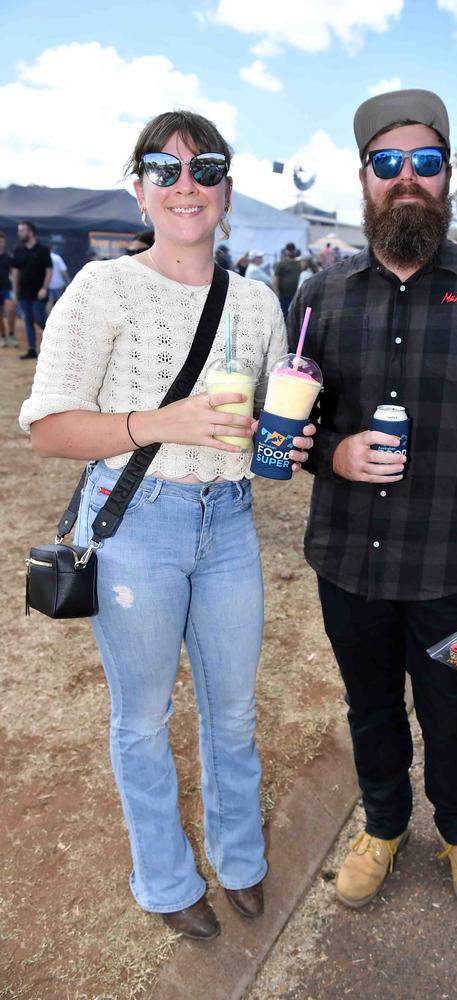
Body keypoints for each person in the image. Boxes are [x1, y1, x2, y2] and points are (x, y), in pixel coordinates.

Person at [19, 109, 314, 941]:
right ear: (139, 187)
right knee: (142, 719)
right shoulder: (102, 286)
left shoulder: (258, 302)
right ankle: (163, 877)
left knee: (233, 711)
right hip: (135, 526)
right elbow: (47, 430)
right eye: (164, 168)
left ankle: (241, 859)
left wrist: (281, 441)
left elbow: (252, 428)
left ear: (226, 185)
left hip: (229, 525)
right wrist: (162, 421)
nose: (186, 185)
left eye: (205, 168)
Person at [287, 88, 457, 920]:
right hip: (348, 560)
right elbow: (293, 425)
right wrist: (333, 451)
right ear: (365, 177)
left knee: (453, 714)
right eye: (389, 163)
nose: (408, 179)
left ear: (448, 178)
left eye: (426, 163)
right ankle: (382, 827)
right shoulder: (321, 294)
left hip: (452, 564)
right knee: (369, 708)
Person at [10, 220, 52, 359]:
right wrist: (15, 293)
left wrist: (44, 288)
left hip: (39, 292)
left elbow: (49, 270)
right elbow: (15, 272)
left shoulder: (43, 249)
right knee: (28, 320)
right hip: (23, 293)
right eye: (19, 230)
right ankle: (32, 349)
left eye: (22, 230)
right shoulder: (18, 250)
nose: (19, 233)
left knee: (39, 318)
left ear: (31, 232)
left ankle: (56, 340)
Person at [273, 242, 301, 317]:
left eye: (292, 249)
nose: (291, 251)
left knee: (295, 315)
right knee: (285, 315)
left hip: (296, 295)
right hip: (284, 296)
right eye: (289, 249)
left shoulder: (299, 263)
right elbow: (276, 278)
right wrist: (276, 292)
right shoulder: (282, 264)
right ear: (286, 251)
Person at [0, 231, 18, 347]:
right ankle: (2, 336)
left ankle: (11, 334)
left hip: (7, 289)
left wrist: (15, 291)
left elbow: (14, 274)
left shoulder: (8, 257)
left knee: (11, 310)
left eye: (2, 241)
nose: (1, 243)